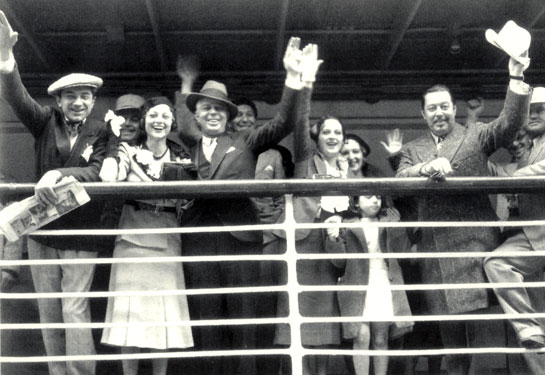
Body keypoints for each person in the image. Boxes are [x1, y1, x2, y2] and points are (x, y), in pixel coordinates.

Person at [174, 37, 317, 375]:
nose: (212, 113)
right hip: (198, 243)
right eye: (205, 108)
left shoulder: (244, 141)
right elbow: (180, 120)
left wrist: (293, 78)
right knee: (206, 323)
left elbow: (283, 122)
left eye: (219, 109)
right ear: (196, 115)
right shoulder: (191, 142)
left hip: (240, 242)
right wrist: (185, 83)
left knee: (243, 325)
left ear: (228, 117)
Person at [395, 51, 531, 375]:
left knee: (482, 346)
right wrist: (427, 167)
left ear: (454, 108)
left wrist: (515, 78)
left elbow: (510, 123)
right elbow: (399, 181)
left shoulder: (475, 135)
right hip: (436, 258)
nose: (439, 113)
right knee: (452, 345)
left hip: (475, 251)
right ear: (423, 114)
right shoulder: (413, 149)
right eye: (432, 108)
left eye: (445, 106)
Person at [0, 11, 108, 375]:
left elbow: (97, 173)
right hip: (42, 233)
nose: (78, 102)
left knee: (74, 309)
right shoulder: (44, 122)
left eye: (84, 97)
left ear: (93, 102)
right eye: (70, 97)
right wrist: (5, 58)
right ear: (59, 102)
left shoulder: (103, 134)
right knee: (48, 309)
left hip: (81, 230)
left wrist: (58, 173)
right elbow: (16, 97)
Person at [100, 97, 194, 375]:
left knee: (161, 319)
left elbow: (190, 197)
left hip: (167, 238)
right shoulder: (128, 150)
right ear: (144, 121)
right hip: (132, 239)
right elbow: (109, 178)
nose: (159, 120)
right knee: (129, 318)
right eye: (153, 115)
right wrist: (114, 141)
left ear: (172, 123)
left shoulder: (181, 155)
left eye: (165, 116)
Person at [484, 86, 545, 351]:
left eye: (540, 110)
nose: (534, 115)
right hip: (534, 236)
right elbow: (495, 172)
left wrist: (516, 178)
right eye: (529, 111)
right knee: (496, 263)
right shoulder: (531, 148)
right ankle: (529, 329)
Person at [324, 196, 412, 375]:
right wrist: (333, 238)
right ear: (356, 202)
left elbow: (403, 252)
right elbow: (339, 262)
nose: (375, 201)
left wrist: (398, 227)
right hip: (358, 285)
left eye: (378, 197)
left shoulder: (388, 221)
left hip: (383, 281)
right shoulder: (347, 224)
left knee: (381, 338)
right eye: (368, 197)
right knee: (361, 337)